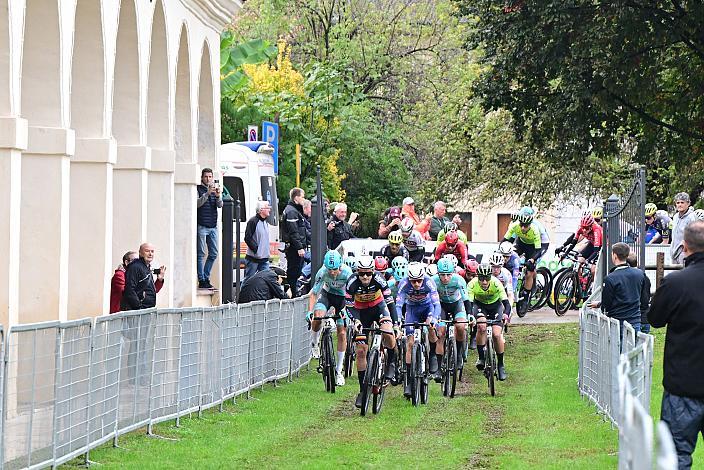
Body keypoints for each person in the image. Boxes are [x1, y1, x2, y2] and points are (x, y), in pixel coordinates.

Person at [648, 220, 704, 470]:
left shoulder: (676, 283)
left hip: (684, 385)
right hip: (684, 384)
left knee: (677, 455)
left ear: (685, 247)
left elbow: (655, 318)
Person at [345, 255, 399, 408]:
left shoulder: (380, 279)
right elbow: (348, 305)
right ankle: (362, 391)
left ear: (373, 272)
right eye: (362, 273)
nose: (365, 277)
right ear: (357, 272)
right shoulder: (352, 282)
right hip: (360, 312)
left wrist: (395, 324)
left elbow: (390, 302)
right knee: (361, 350)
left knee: (388, 332)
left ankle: (392, 363)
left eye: (368, 273)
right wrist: (355, 321)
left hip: (378, 307)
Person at [309, 251, 355, 386]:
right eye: (330, 270)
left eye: (335, 269)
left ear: (340, 266)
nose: (333, 273)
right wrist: (309, 312)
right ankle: (315, 342)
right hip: (327, 295)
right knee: (318, 317)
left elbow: (352, 295)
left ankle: (339, 371)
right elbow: (314, 293)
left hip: (342, 299)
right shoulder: (322, 272)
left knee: (342, 332)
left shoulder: (347, 272)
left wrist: (346, 310)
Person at [395, 262, 441, 396]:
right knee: (410, 343)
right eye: (413, 281)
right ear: (409, 278)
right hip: (412, 310)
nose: (416, 284)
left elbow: (437, 304)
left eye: (419, 281)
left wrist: (434, 319)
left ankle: (432, 355)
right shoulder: (404, 284)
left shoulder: (429, 282)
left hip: (428, 308)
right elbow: (398, 305)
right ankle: (409, 380)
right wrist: (397, 321)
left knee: (431, 328)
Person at [588, 242, 642, 338]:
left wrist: (601, 304)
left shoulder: (611, 278)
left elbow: (607, 303)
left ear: (615, 256)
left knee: (619, 350)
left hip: (618, 320)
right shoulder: (639, 274)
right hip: (635, 319)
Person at [431, 258, 473, 379]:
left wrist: (469, 315)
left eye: (448, 274)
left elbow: (466, 299)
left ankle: (459, 353)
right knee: (441, 333)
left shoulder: (459, 280)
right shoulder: (433, 281)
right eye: (442, 275)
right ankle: (438, 368)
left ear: (453, 272)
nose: (445, 278)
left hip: (457, 305)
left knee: (460, 326)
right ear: (437, 273)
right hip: (442, 306)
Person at [468, 263, 511, 381]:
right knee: (481, 327)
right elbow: (469, 304)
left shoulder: (496, 283)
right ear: (478, 277)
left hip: (495, 306)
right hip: (480, 306)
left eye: (487, 278)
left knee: (497, 335)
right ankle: (481, 357)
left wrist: (506, 315)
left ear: (490, 277)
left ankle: (501, 365)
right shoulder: (472, 284)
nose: (484, 282)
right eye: (481, 278)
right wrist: (471, 316)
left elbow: (506, 304)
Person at [196, 168, 223, 289]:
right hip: (202, 225)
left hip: (213, 226)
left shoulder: (215, 190)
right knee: (201, 253)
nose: (208, 179)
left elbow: (220, 205)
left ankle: (206, 276)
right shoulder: (198, 189)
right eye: (206, 177)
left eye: (210, 177)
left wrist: (218, 196)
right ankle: (202, 280)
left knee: (214, 253)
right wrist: (207, 193)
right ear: (202, 178)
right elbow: (197, 204)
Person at [121, 243, 165, 310]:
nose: (150, 254)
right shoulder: (135, 267)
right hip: (138, 312)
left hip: (146, 310)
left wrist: (160, 279)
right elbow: (130, 290)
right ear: (140, 253)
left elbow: (150, 290)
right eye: (147, 251)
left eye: (152, 251)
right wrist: (139, 307)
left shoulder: (146, 267)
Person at [282, 187, 308, 297]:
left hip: (295, 246)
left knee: (295, 270)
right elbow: (294, 232)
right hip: (294, 248)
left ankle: (293, 292)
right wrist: (299, 247)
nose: (304, 199)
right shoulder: (292, 211)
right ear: (296, 198)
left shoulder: (294, 210)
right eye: (302, 197)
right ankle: (293, 293)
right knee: (294, 271)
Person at [244, 200, 272, 281]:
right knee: (249, 279)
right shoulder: (253, 221)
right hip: (253, 258)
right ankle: (243, 293)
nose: (269, 209)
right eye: (267, 207)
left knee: (266, 279)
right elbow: (247, 238)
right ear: (261, 210)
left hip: (264, 258)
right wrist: (256, 249)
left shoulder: (265, 222)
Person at [626, 253, 651, 334]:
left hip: (633, 317)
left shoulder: (626, 278)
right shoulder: (645, 277)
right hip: (645, 318)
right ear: (638, 263)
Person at [670, 192, 697, 264]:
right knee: (675, 274)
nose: (680, 205)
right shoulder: (675, 216)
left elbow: (693, 236)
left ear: (688, 204)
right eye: (678, 203)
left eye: (682, 202)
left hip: (685, 252)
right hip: (674, 252)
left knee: (684, 273)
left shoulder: (692, 217)